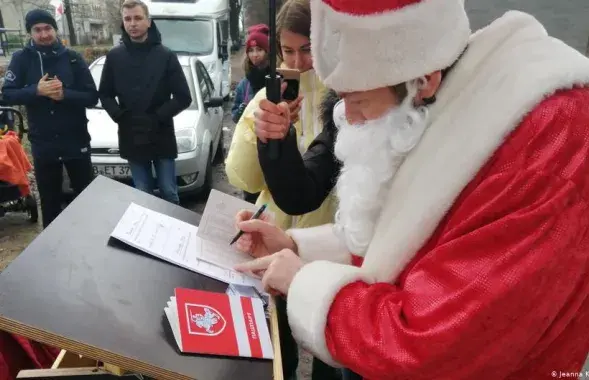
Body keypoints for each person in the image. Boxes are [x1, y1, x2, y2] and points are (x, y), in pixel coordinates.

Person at [233, 0, 589, 378]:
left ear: (425, 81)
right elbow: (406, 234)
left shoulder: (541, 151)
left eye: (358, 101)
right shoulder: (435, 99)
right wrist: (296, 247)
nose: (348, 120)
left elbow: (433, 349)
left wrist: (303, 281)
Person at [225, 1, 341, 379]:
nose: (299, 61)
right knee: (279, 344)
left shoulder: (347, 98)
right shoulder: (267, 98)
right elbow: (243, 178)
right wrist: (261, 130)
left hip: (332, 248)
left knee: (330, 344)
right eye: (288, 51)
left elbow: (323, 178)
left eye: (307, 49)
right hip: (275, 240)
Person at [2, 9, 98, 228]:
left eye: (48, 28)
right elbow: (6, 94)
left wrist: (66, 94)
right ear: (30, 33)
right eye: (37, 30)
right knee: (50, 201)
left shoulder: (73, 58)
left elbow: (92, 96)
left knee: (87, 198)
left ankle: (91, 241)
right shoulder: (21, 59)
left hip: (76, 140)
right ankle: (52, 253)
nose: (44, 34)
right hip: (44, 142)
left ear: (55, 30)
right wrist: (36, 90)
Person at [98, 0, 192, 205]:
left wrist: (159, 116)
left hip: (161, 132)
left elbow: (184, 97)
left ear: (148, 22)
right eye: (128, 19)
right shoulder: (115, 57)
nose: (133, 23)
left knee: (169, 191)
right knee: (141, 193)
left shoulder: (165, 55)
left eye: (138, 18)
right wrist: (119, 116)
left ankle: (172, 232)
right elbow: (104, 94)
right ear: (123, 23)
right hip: (131, 133)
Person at [232, 24, 271, 204]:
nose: (255, 55)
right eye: (251, 50)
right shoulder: (244, 84)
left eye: (260, 50)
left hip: (272, 146)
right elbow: (234, 116)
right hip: (250, 149)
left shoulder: (276, 78)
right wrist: (240, 112)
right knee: (250, 198)